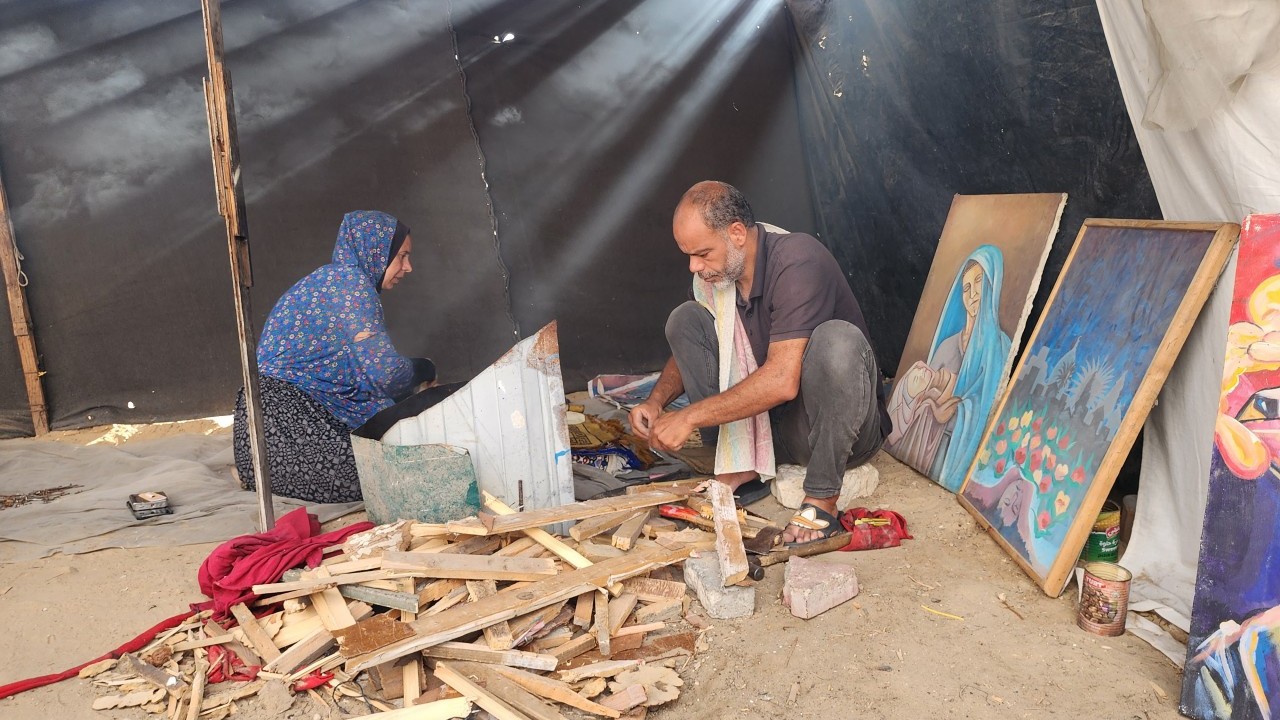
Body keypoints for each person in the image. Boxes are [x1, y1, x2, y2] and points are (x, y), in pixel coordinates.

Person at [630, 181, 890, 546]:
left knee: (837, 341)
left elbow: (783, 380)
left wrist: (689, 416)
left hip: (835, 433)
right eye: (689, 255)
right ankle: (742, 466)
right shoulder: (720, 277)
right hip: (772, 433)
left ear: (737, 232)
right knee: (686, 318)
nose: (694, 266)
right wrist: (657, 401)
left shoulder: (798, 260)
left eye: (703, 253)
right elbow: (701, 340)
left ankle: (822, 499)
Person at [232, 210, 436, 504]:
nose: (409, 267)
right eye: (401, 256)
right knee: (393, 477)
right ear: (375, 251)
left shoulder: (333, 280)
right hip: (286, 423)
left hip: (255, 436)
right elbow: (386, 373)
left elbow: (362, 373)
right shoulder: (351, 286)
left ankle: (256, 476)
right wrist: (423, 369)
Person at [886, 245, 1010, 491]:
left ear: (992, 286)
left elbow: (988, 405)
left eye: (979, 283)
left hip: (958, 451)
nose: (973, 294)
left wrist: (955, 407)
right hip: (929, 451)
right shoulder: (947, 345)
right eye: (966, 288)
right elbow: (923, 395)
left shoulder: (1000, 347)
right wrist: (930, 397)